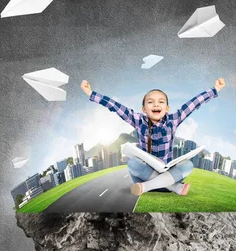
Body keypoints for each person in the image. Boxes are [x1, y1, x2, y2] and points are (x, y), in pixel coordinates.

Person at [80, 78, 225, 196]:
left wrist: (215, 90)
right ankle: (174, 187)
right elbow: (116, 107)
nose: (156, 104)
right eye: (150, 102)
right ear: (144, 109)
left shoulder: (174, 119)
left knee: (188, 165)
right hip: (144, 175)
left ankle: (149, 187)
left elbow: (194, 104)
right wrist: (91, 93)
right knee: (132, 164)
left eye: (161, 102)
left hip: (164, 176)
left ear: (167, 108)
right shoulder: (137, 120)